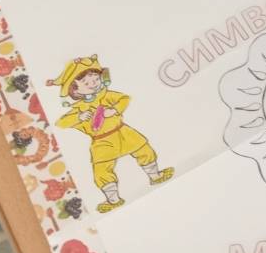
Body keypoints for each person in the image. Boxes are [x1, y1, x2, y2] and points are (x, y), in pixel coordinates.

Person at [48, 56, 174, 213]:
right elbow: (60, 123)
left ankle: (155, 176)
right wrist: (79, 117)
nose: (93, 84)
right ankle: (113, 199)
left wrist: (114, 110)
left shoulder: (106, 95)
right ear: (75, 89)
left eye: (96, 79)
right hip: (102, 142)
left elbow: (124, 98)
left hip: (123, 132)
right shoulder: (79, 108)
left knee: (144, 149)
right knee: (101, 170)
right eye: (86, 83)